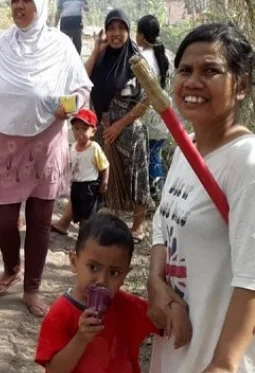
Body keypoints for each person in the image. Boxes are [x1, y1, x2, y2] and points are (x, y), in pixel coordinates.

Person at [146, 22, 255, 373]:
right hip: (181, 352)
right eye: (185, 71)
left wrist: (223, 369)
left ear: (241, 86)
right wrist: (157, 284)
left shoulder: (252, 168)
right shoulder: (185, 150)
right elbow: (164, 225)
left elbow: (253, 277)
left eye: (210, 71)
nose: (193, 81)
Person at [0, 0, 93, 316]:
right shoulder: (2, 44)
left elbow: (81, 88)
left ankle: (31, 288)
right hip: (6, 142)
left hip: (46, 142)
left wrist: (69, 106)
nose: (19, 6)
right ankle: (12, 266)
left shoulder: (61, 45)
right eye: (14, 0)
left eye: (26, 0)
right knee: (2, 218)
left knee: (39, 222)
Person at [35, 213, 162, 373]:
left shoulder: (127, 307)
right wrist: (81, 338)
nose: (101, 280)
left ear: (126, 274)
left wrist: (173, 307)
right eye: (93, 267)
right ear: (74, 262)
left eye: (114, 272)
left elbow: (161, 320)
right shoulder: (60, 313)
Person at [86, 8, 152, 243]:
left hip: (129, 132)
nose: (115, 33)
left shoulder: (137, 62)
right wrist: (96, 51)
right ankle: (106, 223)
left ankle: (137, 227)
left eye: (121, 28)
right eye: (111, 28)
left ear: (128, 30)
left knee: (136, 177)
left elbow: (148, 99)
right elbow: (83, 79)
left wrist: (120, 125)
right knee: (103, 176)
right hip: (103, 128)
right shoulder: (102, 58)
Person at [136, 14, 171, 201]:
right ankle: (158, 193)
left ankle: (156, 195)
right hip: (164, 116)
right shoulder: (166, 55)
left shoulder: (141, 59)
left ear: (141, 35)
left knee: (148, 158)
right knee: (155, 155)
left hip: (147, 116)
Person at [68, 108, 109, 226]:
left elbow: (105, 166)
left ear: (93, 131)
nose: (79, 132)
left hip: (89, 186)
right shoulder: (73, 147)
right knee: (78, 212)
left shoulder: (94, 148)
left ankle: (85, 234)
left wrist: (104, 182)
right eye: (76, 128)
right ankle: (83, 230)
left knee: (88, 213)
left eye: (85, 129)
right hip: (76, 185)